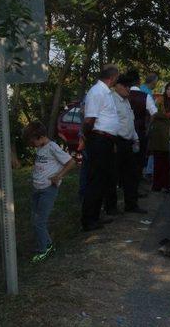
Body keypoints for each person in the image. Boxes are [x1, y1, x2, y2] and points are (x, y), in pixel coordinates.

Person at [23, 122, 75, 262]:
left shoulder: (52, 147)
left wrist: (59, 176)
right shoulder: (41, 147)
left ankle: (43, 250)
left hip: (48, 190)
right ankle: (48, 244)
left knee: (40, 221)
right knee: (35, 219)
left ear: (38, 136)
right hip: (37, 189)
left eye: (32, 140)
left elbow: (71, 162)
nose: (31, 144)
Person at [81, 64, 120, 231]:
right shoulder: (97, 92)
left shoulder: (106, 92)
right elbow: (89, 119)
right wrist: (87, 137)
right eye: (117, 78)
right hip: (98, 139)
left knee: (103, 180)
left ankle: (95, 217)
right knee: (95, 180)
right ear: (112, 78)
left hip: (106, 140)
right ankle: (88, 220)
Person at [106, 74, 147, 214]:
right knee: (112, 176)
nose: (128, 89)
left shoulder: (126, 101)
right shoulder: (111, 100)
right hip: (116, 141)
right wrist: (113, 141)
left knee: (132, 174)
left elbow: (130, 121)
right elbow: (111, 123)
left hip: (128, 142)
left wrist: (135, 138)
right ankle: (111, 208)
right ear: (117, 86)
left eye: (129, 86)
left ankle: (131, 204)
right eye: (126, 86)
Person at [129, 70, 158, 190]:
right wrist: (148, 126)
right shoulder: (145, 95)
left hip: (125, 132)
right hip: (140, 129)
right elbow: (154, 113)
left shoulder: (122, 95)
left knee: (127, 159)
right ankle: (135, 185)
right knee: (138, 159)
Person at [148, 81, 170, 192]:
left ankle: (167, 185)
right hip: (159, 135)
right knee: (158, 162)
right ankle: (157, 185)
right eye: (169, 89)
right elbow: (153, 113)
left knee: (168, 163)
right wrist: (166, 115)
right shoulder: (159, 100)